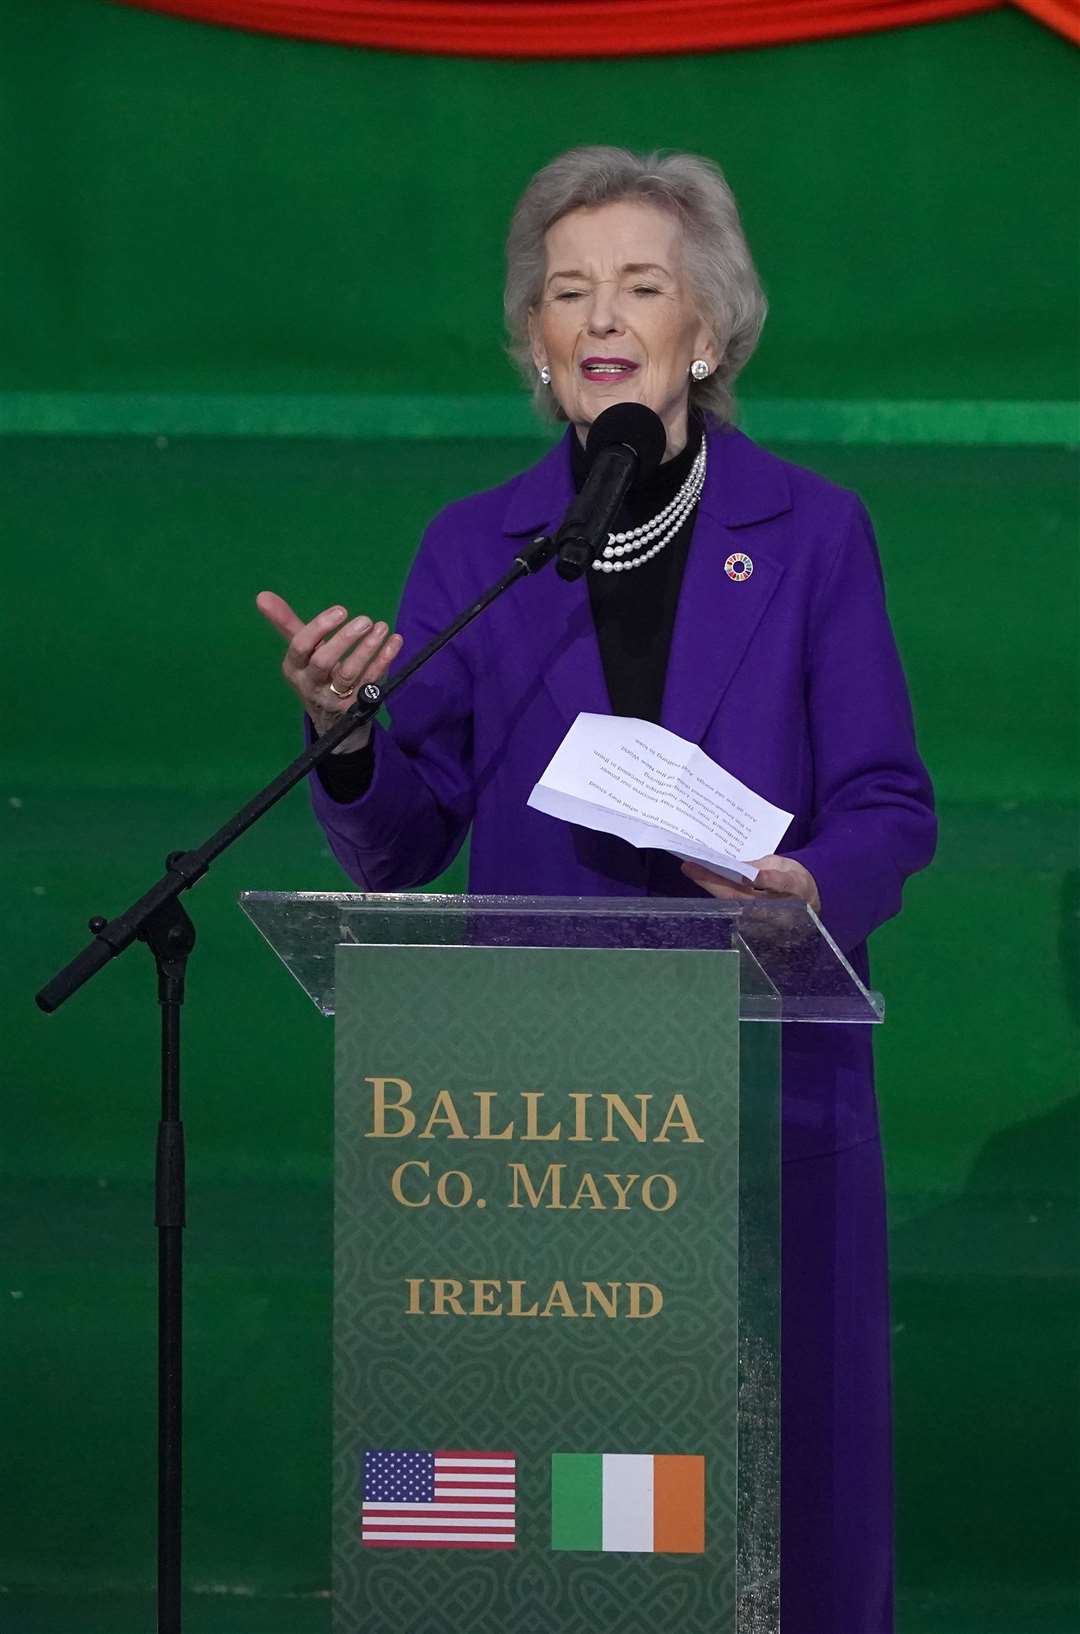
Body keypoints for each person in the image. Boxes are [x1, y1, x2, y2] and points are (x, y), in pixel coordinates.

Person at [258, 146, 935, 1633]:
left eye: (641, 284)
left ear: (707, 331)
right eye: (569, 292)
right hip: (541, 1118)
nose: (602, 314)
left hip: (761, 1094)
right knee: (565, 1520)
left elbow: (891, 801)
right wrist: (347, 737)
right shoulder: (476, 550)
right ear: (539, 347)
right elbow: (400, 845)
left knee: (768, 1520)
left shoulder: (812, 535)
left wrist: (800, 880)